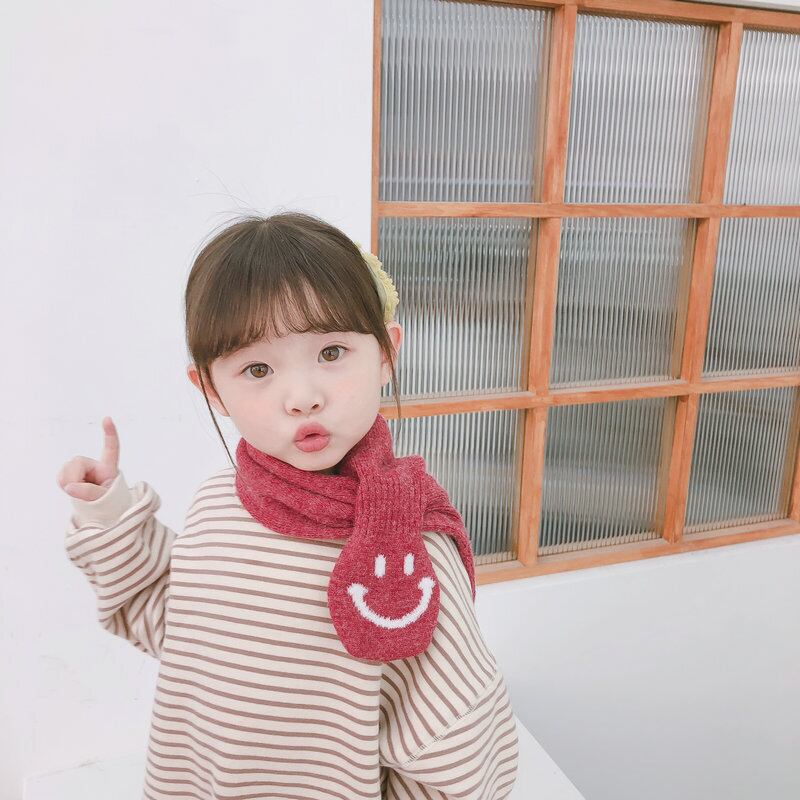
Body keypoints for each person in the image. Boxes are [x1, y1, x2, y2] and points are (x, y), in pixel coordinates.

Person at [57, 211, 519, 800]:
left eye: (332, 351)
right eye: (257, 369)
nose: (302, 397)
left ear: (385, 354)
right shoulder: (218, 504)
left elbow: (461, 754)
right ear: (210, 389)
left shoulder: (405, 553)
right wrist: (107, 510)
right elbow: (172, 627)